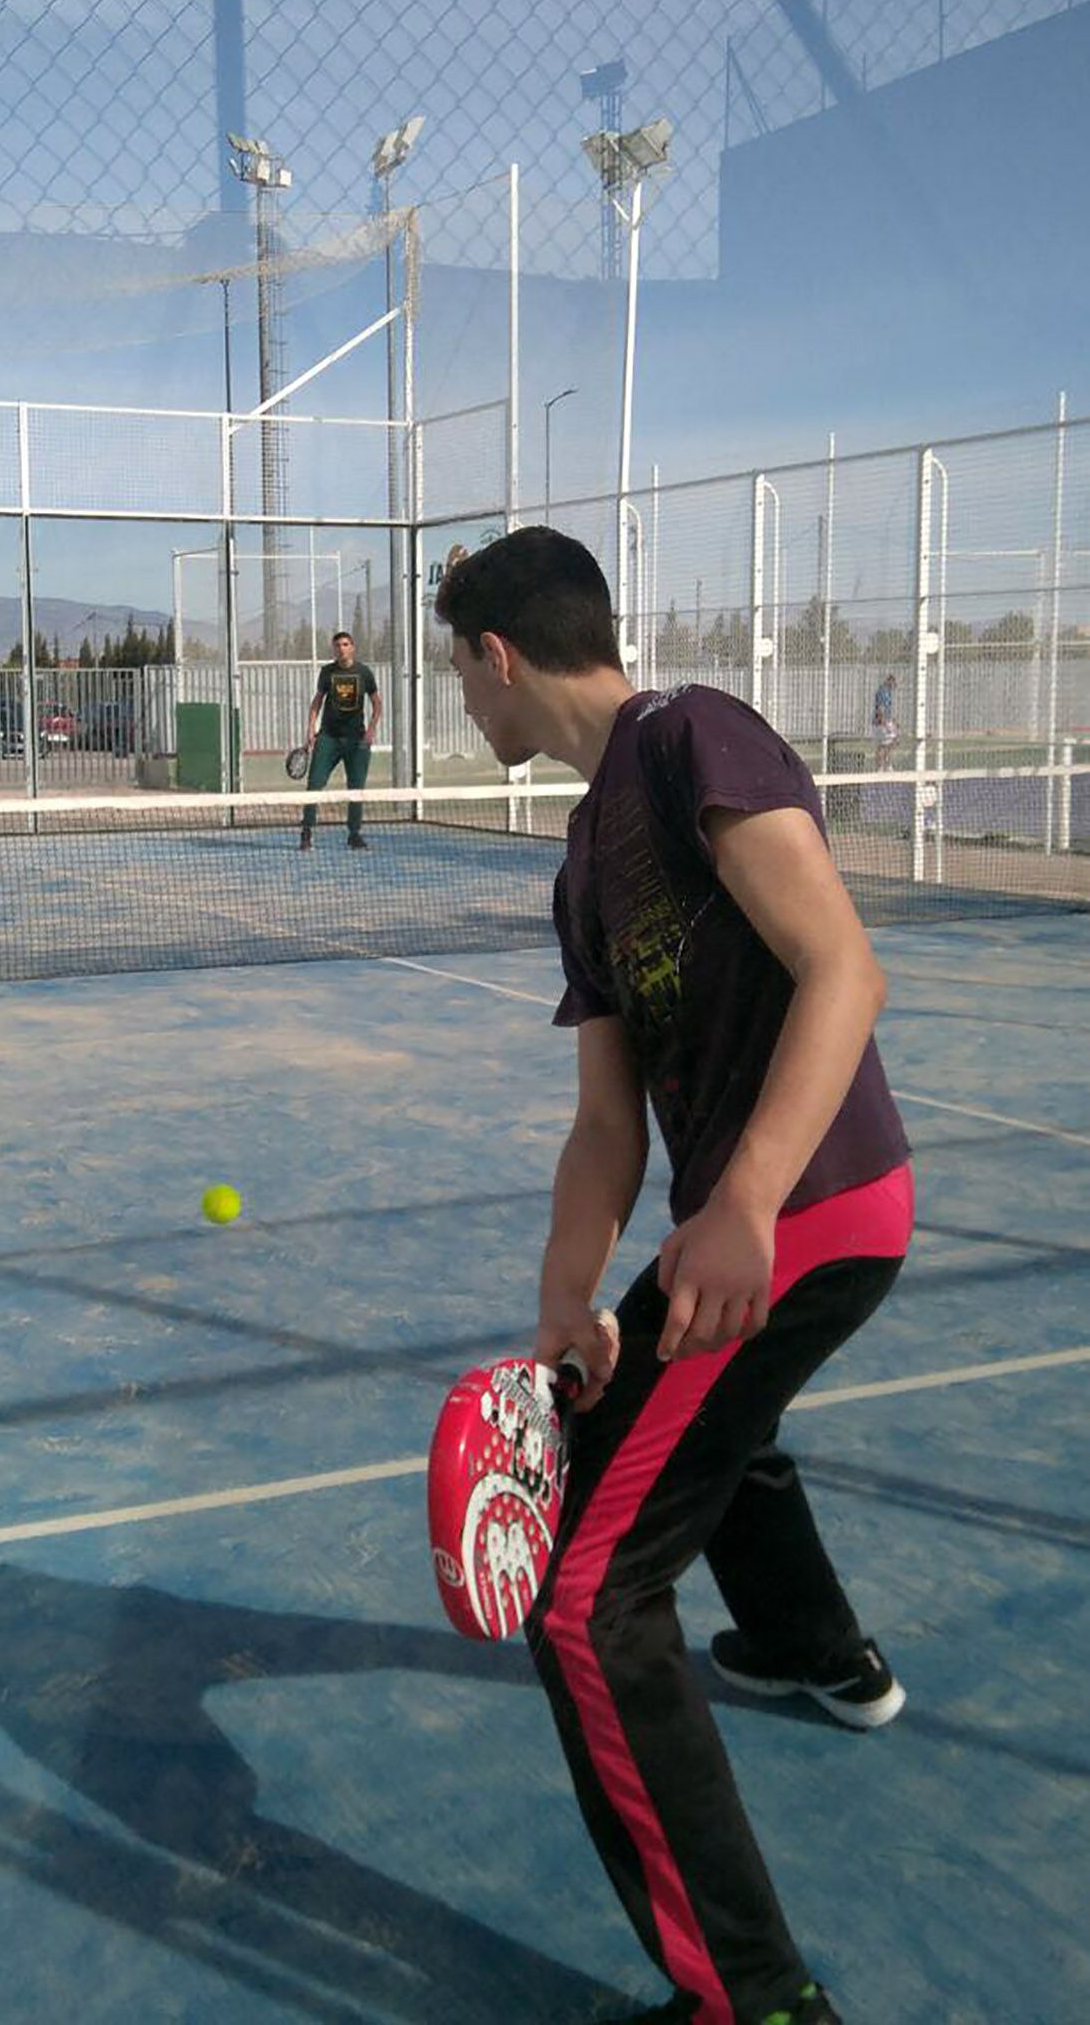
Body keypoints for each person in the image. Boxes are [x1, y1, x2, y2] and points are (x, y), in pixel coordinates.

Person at [435, 527, 913, 2025]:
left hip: (815, 1208)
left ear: (497, 656)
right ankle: (806, 1646)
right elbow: (601, 1128)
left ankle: (751, 2001)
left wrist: (750, 1197)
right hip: (738, 1223)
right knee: (675, 1405)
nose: (461, 705)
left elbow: (839, 965)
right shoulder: (581, 861)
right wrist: (564, 1305)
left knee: (586, 1602)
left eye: (458, 672)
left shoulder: (690, 737)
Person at [299, 631, 381, 851]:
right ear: (334, 649)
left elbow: (377, 703)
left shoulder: (364, 672)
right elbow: (317, 702)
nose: (341, 648)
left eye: (345, 644)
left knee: (356, 788)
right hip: (328, 738)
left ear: (352, 647)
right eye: (337, 645)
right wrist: (310, 729)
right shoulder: (327, 672)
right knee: (314, 784)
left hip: (356, 740)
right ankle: (306, 831)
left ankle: (354, 834)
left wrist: (371, 730)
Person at [871, 672, 899, 770]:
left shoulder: (887, 692)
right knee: (883, 744)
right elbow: (880, 708)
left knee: (890, 741)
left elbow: (886, 708)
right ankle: (881, 765)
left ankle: (885, 763)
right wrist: (883, 721)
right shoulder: (883, 692)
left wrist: (892, 721)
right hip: (880, 722)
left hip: (884, 721)